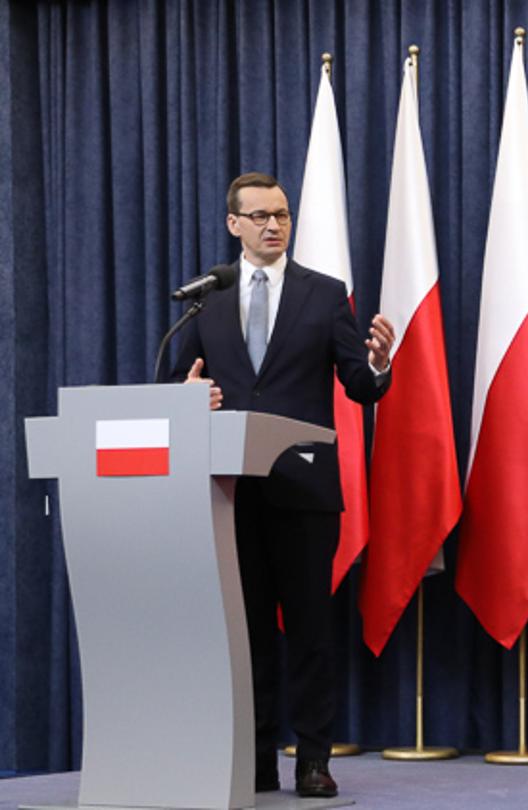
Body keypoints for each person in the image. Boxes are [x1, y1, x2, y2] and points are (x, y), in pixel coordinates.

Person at [170, 172, 394, 798]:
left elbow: (359, 383)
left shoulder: (325, 295)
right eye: (261, 215)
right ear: (233, 224)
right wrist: (184, 395)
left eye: (283, 215)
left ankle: (314, 761)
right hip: (230, 492)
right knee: (247, 635)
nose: (274, 225)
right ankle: (257, 759)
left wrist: (378, 366)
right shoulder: (207, 297)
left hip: (303, 489)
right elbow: (173, 377)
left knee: (310, 631)